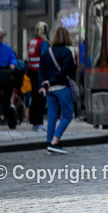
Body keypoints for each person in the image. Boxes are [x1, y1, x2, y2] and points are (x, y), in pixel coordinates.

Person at [40, 26, 77, 154]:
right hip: (62, 87)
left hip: (50, 90)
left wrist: (44, 84)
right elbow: (66, 71)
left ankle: (49, 143)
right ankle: (54, 141)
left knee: (52, 116)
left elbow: (41, 71)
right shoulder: (67, 53)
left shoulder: (46, 53)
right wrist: (53, 81)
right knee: (67, 115)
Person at [26, 22, 50, 131]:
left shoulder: (31, 42)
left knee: (34, 98)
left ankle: (34, 122)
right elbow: (45, 59)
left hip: (32, 72)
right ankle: (39, 122)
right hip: (40, 73)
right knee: (41, 98)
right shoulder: (43, 43)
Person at [0, 28, 19, 128]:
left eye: (1, 37)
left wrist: (13, 64)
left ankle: (6, 110)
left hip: (6, 73)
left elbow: (13, 58)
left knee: (7, 94)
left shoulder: (7, 48)